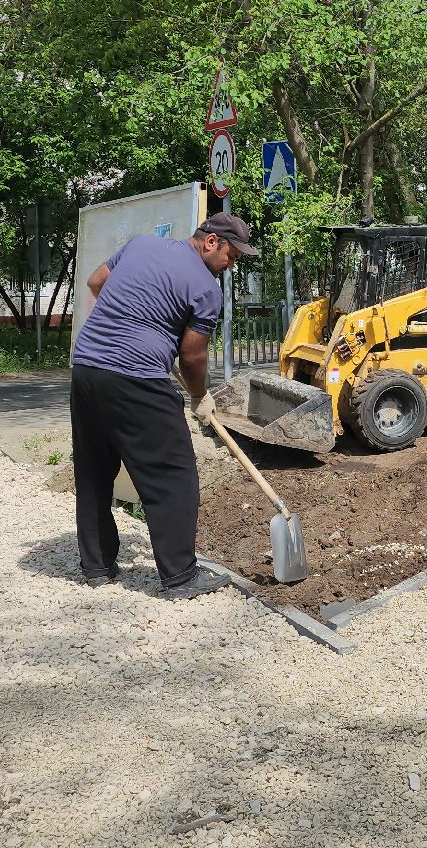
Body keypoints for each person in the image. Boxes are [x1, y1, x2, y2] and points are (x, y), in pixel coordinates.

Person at [69, 212, 259, 597]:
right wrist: (200, 396)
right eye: (231, 256)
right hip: (136, 377)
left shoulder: (142, 245)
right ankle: (180, 576)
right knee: (173, 472)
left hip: (87, 368)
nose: (230, 265)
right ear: (210, 242)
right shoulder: (205, 288)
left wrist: (124, 321)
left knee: (93, 470)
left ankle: (97, 566)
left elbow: (96, 281)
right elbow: (192, 356)